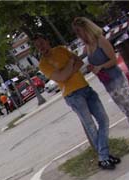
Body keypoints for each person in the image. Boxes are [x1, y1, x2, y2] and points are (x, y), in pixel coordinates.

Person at [33, 35, 120, 170]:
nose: (41, 47)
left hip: (85, 88)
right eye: (37, 46)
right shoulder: (43, 64)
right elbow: (61, 77)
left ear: (47, 41)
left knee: (104, 120)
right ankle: (104, 157)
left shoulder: (61, 49)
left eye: (42, 43)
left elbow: (79, 62)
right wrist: (70, 63)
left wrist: (67, 72)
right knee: (90, 126)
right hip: (72, 95)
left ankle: (104, 156)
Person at [72, 17, 129, 153]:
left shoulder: (100, 40)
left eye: (79, 31)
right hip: (107, 82)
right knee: (125, 111)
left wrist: (101, 66)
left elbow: (113, 60)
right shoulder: (87, 47)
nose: (78, 35)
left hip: (117, 79)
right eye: (76, 32)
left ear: (86, 29)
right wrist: (93, 69)